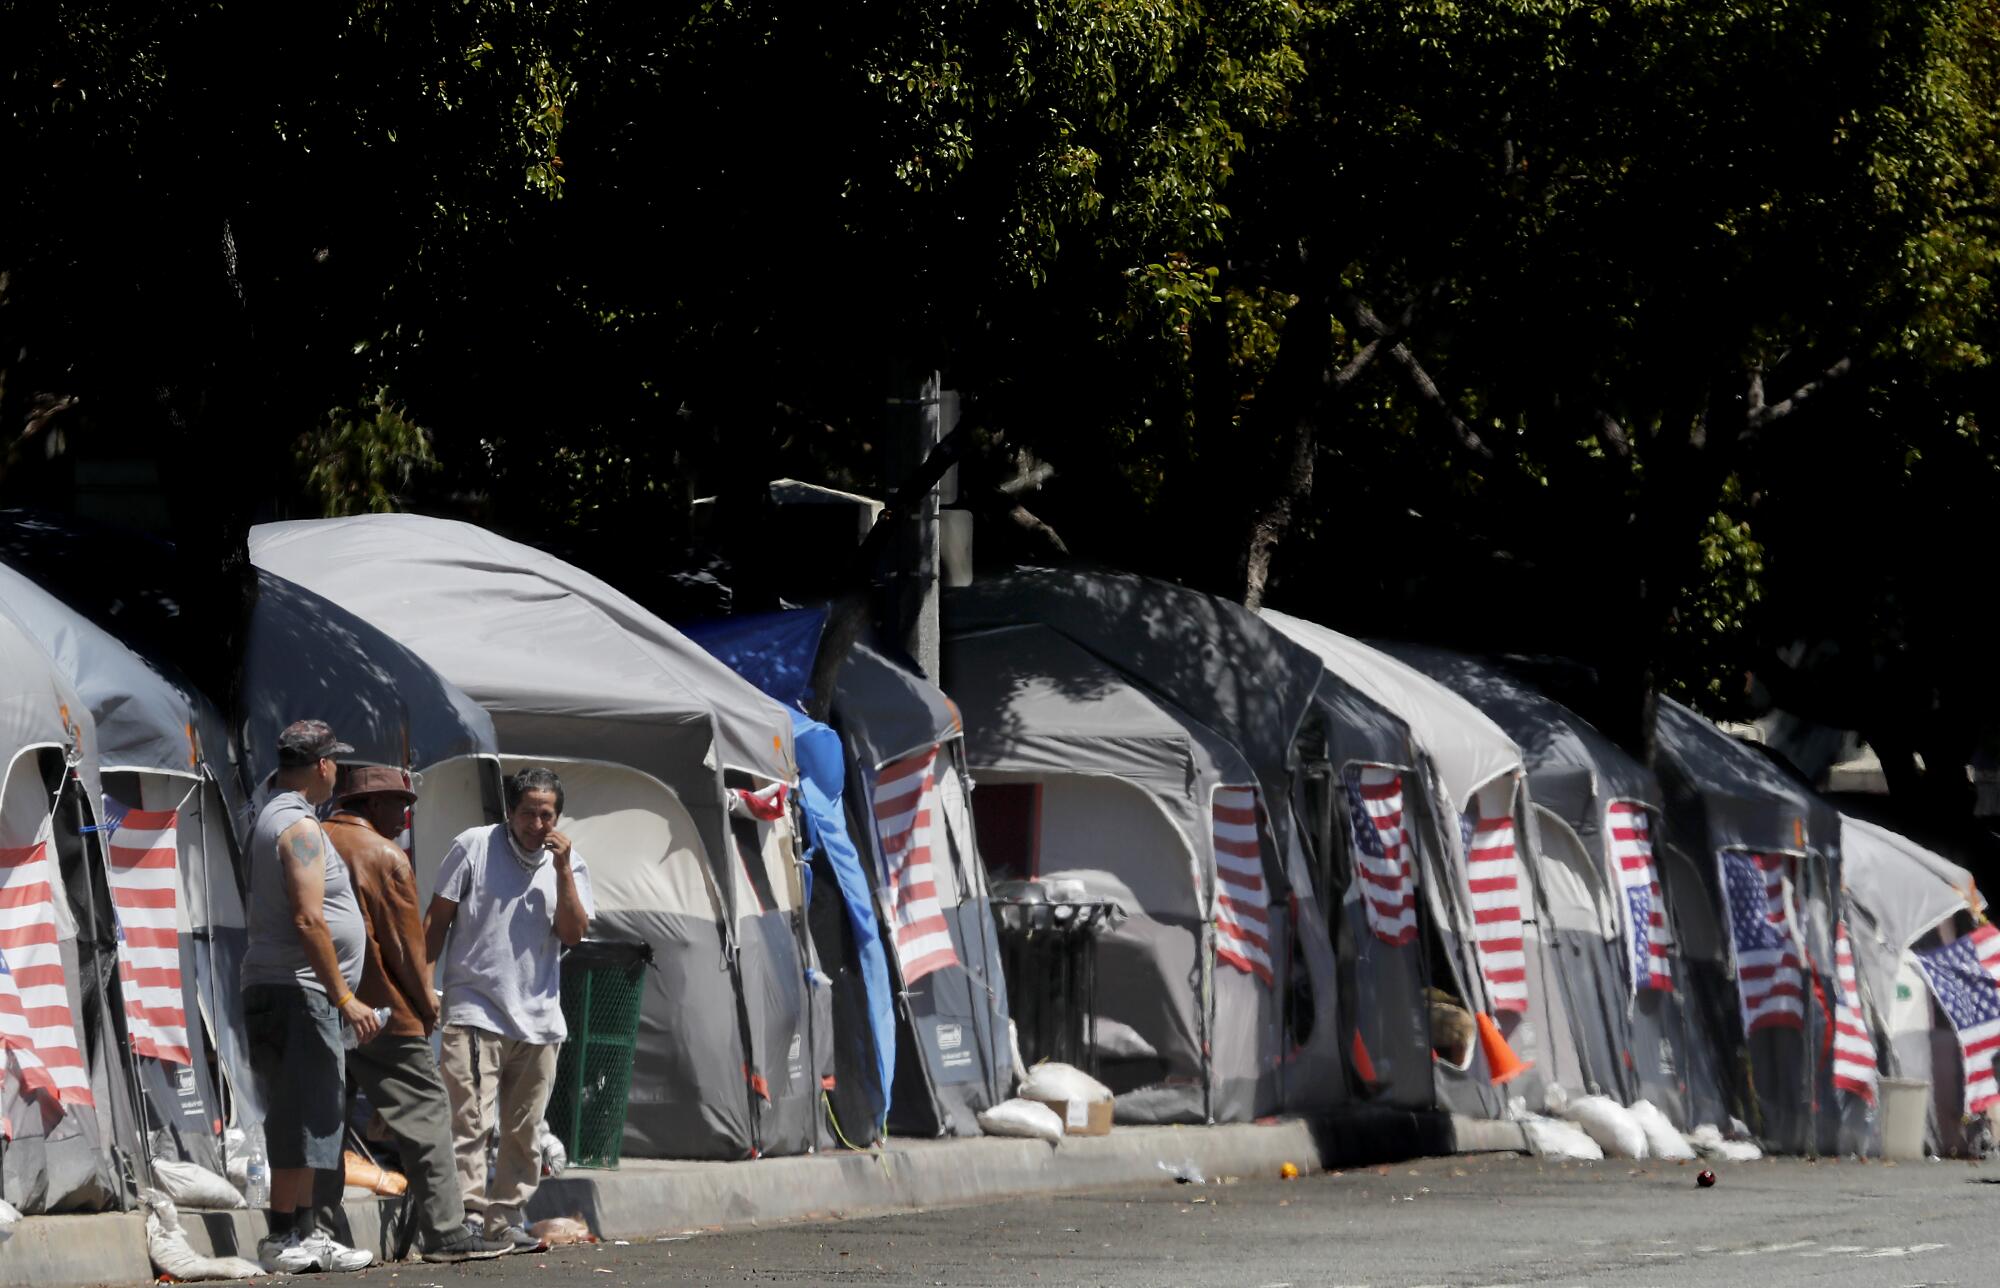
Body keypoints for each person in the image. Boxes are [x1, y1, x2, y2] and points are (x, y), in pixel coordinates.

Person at [317, 766, 509, 1263]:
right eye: (399, 803)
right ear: (373, 804)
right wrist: (427, 1008)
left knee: (324, 1123)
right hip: (384, 1012)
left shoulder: (311, 839)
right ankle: (445, 1232)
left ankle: (316, 1229)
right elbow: (407, 949)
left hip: (320, 1002)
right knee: (426, 1114)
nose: (406, 815)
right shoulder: (384, 855)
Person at [425, 766, 593, 1251]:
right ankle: (468, 1220)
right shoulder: (473, 846)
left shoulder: (569, 864)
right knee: (470, 1122)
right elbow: (435, 923)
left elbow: (573, 932)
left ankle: (506, 1219)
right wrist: (424, 990)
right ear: (509, 812)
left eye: (547, 815)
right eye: (528, 814)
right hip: (475, 1009)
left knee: (525, 1131)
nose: (537, 825)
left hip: (540, 1019)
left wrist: (562, 871)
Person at [240, 720, 379, 1274]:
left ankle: (304, 1231)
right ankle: (281, 1238)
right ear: (323, 766)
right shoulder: (295, 824)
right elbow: (307, 915)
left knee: (312, 1114)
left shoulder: (284, 814)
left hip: (294, 989)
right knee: (302, 1113)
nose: (338, 772)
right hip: (299, 991)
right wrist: (344, 996)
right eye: (336, 763)